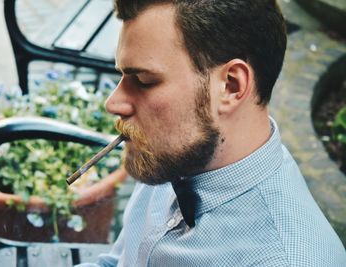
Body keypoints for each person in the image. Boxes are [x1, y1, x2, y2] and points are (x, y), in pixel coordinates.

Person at [78, 0, 346, 266]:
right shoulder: (172, 148)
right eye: (123, 76)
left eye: (144, 81)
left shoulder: (288, 259)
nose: (113, 103)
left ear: (230, 86)